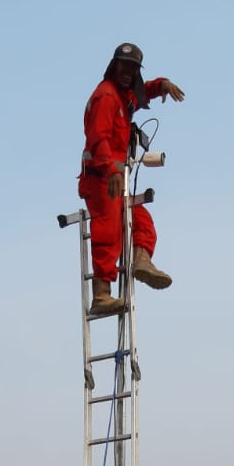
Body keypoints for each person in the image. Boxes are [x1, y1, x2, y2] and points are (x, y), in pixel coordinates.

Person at [79, 42, 184, 315]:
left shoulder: (125, 95)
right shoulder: (106, 96)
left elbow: (143, 91)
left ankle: (141, 261)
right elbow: (97, 137)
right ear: (114, 66)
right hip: (103, 178)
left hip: (117, 178)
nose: (128, 72)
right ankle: (101, 295)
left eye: (133, 68)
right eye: (124, 66)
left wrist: (161, 85)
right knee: (108, 231)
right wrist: (112, 170)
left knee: (142, 222)